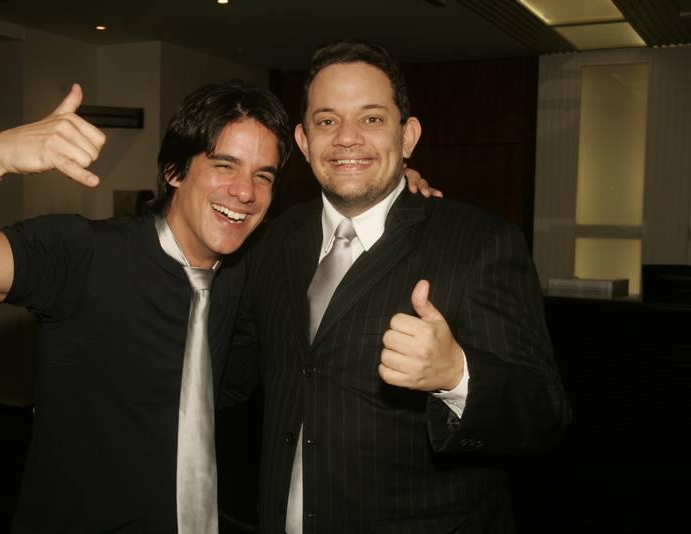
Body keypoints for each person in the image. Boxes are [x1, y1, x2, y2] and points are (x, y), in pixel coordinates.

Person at [0, 80, 293, 533]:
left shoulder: (243, 275)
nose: (245, 192)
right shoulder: (85, 254)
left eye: (263, 176)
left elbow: (221, 388)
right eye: (224, 165)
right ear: (174, 171)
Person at [226, 40, 572, 533]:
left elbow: (545, 415)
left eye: (371, 118)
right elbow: (229, 371)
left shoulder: (480, 243)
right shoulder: (273, 241)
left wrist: (457, 375)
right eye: (327, 121)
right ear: (303, 141)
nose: (347, 138)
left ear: (407, 136)